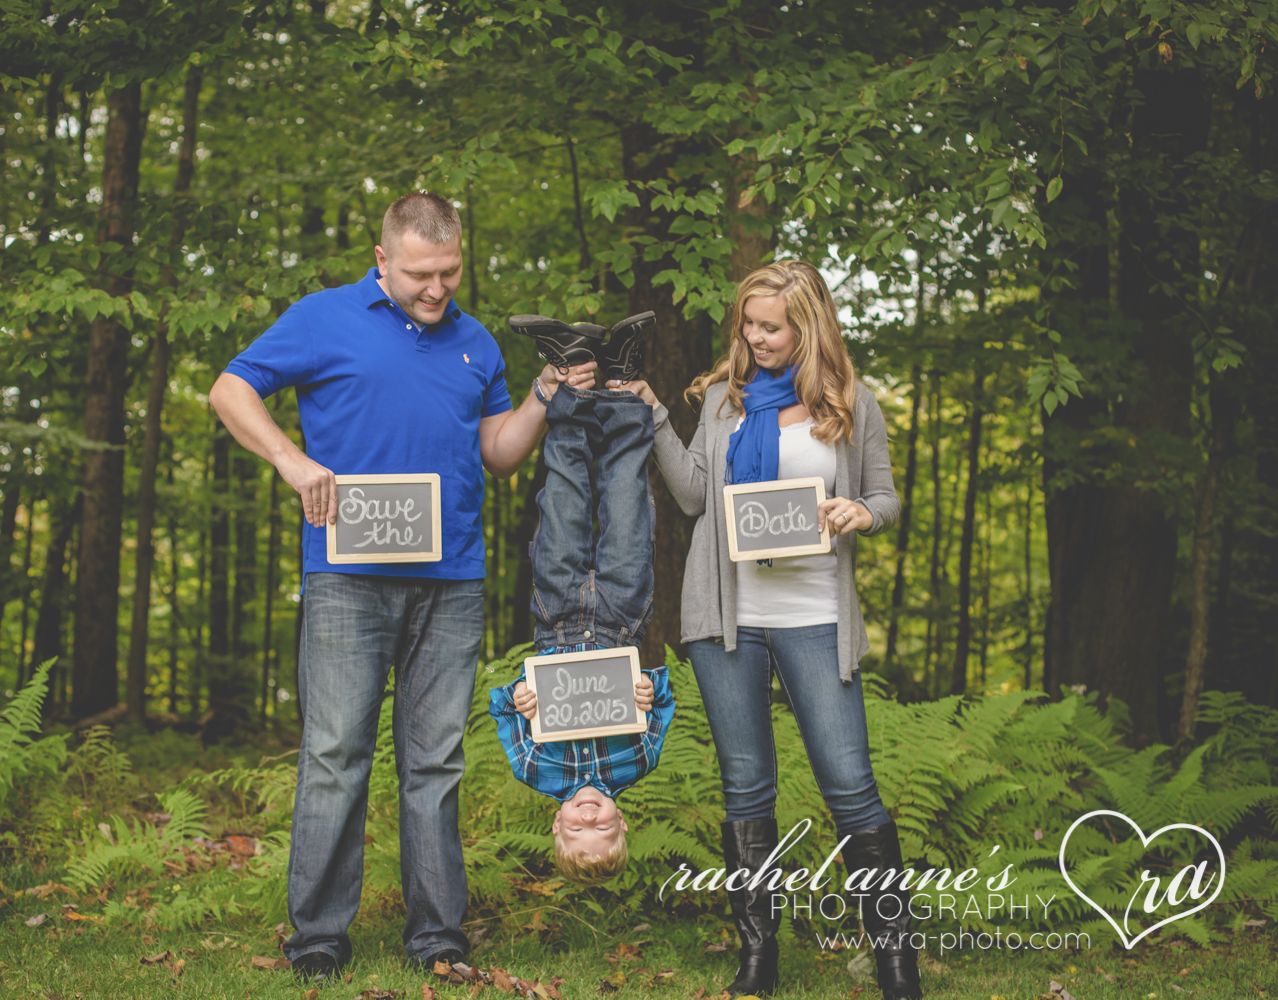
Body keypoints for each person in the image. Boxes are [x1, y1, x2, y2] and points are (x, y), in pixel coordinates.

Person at [208, 193, 595, 983]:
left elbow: (498, 452)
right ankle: (317, 933)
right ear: (382, 260)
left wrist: (540, 398)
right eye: (420, 274)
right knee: (334, 753)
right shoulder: (322, 317)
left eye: (450, 272)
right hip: (348, 580)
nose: (437, 289)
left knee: (436, 761)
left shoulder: (476, 341)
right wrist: (293, 461)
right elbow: (229, 390)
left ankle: (437, 934)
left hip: (450, 583)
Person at [613, 261, 920, 1000]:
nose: (754, 338)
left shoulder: (851, 404)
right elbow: (692, 496)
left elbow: (885, 497)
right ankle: (759, 960)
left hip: (816, 617)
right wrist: (657, 413)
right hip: (730, 620)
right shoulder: (723, 399)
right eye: (747, 325)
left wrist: (862, 514)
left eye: (770, 327)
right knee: (747, 785)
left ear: (806, 327)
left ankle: (896, 964)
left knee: (850, 785)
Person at [487, 311, 674, 886]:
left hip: (558, 612)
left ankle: (571, 372)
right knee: (625, 499)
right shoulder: (639, 761)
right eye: (603, 829)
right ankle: (618, 377)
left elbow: (500, 705)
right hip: (622, 614)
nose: (588, 819)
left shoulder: (534, 768)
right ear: (624, 821)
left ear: (556, 823)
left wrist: (519, 696)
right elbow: (662, 702)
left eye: (577, 830)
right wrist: (649, 688)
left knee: (563, 495)